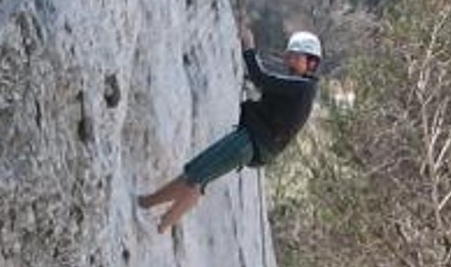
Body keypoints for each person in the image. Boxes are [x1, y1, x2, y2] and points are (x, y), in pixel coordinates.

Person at [138, 26, 322, 233]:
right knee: (194, 172)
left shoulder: (302, 87)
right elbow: (268, 85)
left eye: (296, 57)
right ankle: (145, 204)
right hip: (251, 142)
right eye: (290, 55)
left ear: (311, 63)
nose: (289, 60)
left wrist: (248, 47)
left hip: (249, 142)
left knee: (196, 178)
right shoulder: (300, 86)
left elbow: (262, 78)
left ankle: (160, 225)